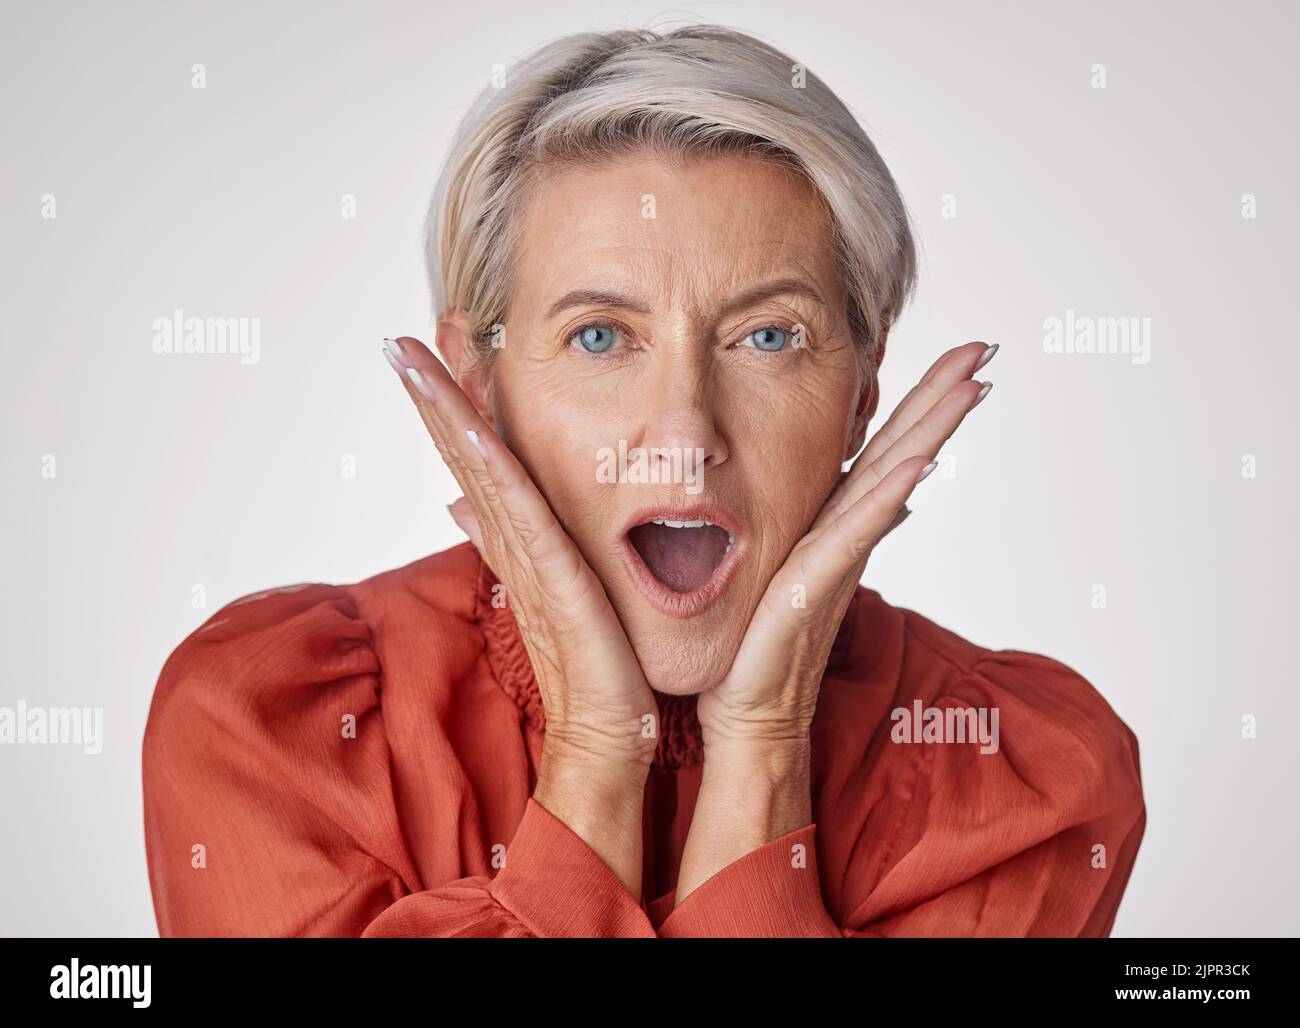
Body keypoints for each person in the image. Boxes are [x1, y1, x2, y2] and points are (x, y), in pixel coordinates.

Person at [142, 24, 1145, 937]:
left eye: (766, 334)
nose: (683, 433)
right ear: (478, 383)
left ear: (862, 386)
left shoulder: (1024, 786)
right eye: (599, 334)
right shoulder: (268, 728)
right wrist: (591, 753)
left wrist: (761, 748)